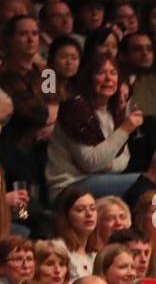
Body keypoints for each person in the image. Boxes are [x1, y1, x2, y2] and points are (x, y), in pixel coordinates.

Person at [46, 54, 144, 198]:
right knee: (144, 182)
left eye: (113, 73)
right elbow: (91, 162)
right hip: (69, 187)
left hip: (100, 179)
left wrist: (108, 166)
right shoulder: (75, 109)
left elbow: (124, 158)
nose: (108, 78)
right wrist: (125, 129)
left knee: (152, 184)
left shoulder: (114, 111)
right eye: (101, 73)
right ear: (88, 77)